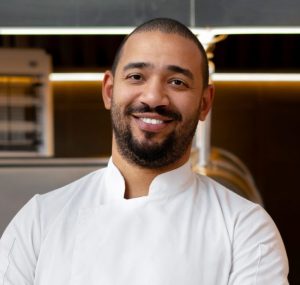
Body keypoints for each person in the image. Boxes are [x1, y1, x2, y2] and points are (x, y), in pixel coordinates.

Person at [0, 18, 288, 284]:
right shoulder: (39, 219)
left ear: (204, 103)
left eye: (177, 82)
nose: (153, 97)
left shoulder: (245, 229)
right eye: (137, 76)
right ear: (109, 90)